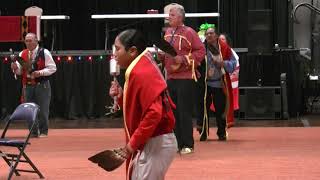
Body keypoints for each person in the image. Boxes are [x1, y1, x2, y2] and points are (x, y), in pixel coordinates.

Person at [109, 29, 177, 180]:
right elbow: (142, 106)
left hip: (155, 142)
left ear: (132, 51)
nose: (114, 54)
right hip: (155, 141)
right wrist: (121, 97)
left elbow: (153, 113)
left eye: (118, 49)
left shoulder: (142, 72)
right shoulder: (142, 66)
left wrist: (131, 145)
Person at [159, 3, 205, 154]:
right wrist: (161, 56)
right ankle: (177, 143)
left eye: (171, 15)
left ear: (180, 17)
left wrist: (184, 59)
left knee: (184, 112)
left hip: (186, 78)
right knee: (172, 112)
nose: (168, 17)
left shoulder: (190, 32)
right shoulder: (167, 32)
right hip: (170, 77)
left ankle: (188, 144)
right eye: (169, 15)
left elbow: (201, 52)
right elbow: (167, 53)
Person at [11, 33, 56, 138]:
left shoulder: (44, 52)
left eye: (30, 40)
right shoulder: (22, 53)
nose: (28, 43)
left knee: (43, 110)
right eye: (26, 41)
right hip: (28, 86)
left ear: (36, 41)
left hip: (42, 85)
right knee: (29, 111)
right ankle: (33, 132)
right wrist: (14, 68)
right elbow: (19, 72)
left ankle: (44, 131)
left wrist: (39, 73)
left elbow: (53, 68)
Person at [197, 26, 237, 141]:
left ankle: (221, 132)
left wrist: (223, 63)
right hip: (204, 84)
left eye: (211, 33)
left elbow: (233, 63)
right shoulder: (201, 48)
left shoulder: (224, 48)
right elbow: (194, 60)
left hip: (219, 83)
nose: (209, 35)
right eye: (207, 34)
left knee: (220, 109)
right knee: (203, 109)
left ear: (216, 36)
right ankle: (203, 132)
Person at [219, 33, 240, 111]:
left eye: (223, 39)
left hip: (228, 79)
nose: (221, 41)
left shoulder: (230, 51)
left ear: (227, 41)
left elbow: (234, 67)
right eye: (219, 39)